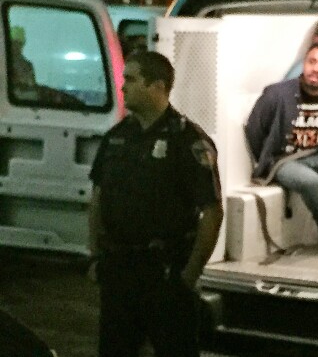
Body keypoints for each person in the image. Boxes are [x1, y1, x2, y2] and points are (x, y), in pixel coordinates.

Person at [88, 51, 223, 357]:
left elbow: (212, 211)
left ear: (157, 86)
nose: (123, 87)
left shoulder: (187, 140)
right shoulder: (116, 138)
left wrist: (188, 276)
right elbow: (97, 201)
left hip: (165, 273)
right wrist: (96, 257)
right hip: (120, 271)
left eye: (131, 79)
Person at [245, 41, 318, 234]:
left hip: (317, 155)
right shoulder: (276, 93)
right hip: (283, 161)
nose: (316, 69)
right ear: (304, 63)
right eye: (312, 62)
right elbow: (254, 130)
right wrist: (267, 159)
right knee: (310, 181)